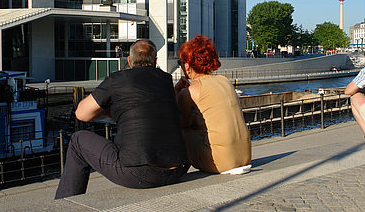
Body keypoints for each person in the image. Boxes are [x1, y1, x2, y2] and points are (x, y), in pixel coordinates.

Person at [55, 39, 189, 199]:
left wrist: (105, 112)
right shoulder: (166, 80)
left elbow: (81, 114)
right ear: (155, 61)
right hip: (177, 170)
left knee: (78, 140)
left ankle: (65, 204)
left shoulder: (117, 80)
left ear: (129, 61)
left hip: (139, 173)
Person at [175, 35, 251, 174]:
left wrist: (176, 93)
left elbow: (183, 123)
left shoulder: (189, 92)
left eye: (180, 63)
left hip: (221, 163)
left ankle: (175, 168)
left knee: (181, 130)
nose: (181, 67)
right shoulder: (224, 81)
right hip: (245, 156)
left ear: (187, 65)